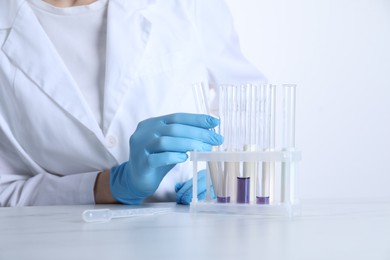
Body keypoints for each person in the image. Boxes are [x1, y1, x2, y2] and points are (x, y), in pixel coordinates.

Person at [0, 0, 266, 206]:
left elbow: (253, 101)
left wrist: (231, 170)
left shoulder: (186, 5)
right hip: (59, 243)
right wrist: (108, 186)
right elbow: (5, 191)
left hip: (192, 229)